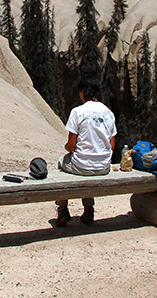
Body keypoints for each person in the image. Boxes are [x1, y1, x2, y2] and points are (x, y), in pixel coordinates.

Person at [55, 77, 116, 227]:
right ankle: (89, 209)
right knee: (86, 167)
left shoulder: (78, 111)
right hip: (103, 166)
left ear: (83, 92)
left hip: (82, 165)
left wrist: (67, 148)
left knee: (61, 164)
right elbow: (112, 146)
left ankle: (62, 209)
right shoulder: (108, 113)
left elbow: (71, 146)